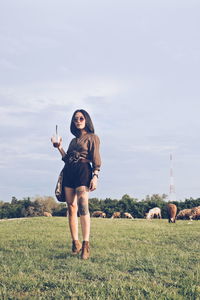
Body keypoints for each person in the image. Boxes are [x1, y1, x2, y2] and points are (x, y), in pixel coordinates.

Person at [51, 109, 101, 259]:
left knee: (83, 204)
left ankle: (86, 244)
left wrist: (95, 176)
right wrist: (59, 147)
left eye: (81, 118)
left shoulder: (93, 138)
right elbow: (67, 159)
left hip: (83, 170)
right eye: (75, 119)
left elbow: (96, 159)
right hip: (69, 171)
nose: (78, 121)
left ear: (86, 120)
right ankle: (75, 242)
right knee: (71, 208)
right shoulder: (73, 141)